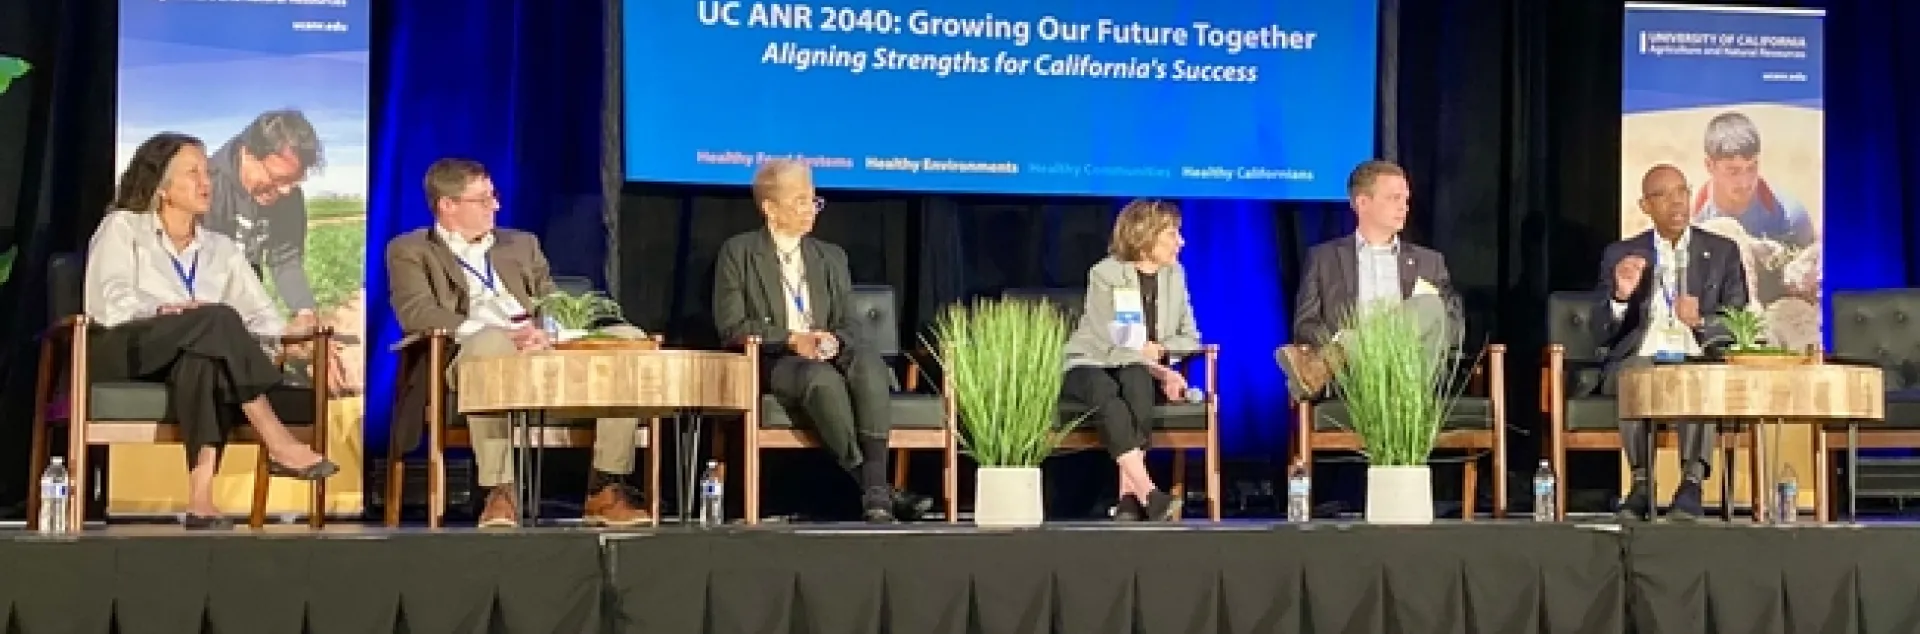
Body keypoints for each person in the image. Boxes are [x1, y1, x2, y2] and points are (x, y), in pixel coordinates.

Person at [83, 132, 339, 530]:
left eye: (208, 173)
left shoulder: (222, 249)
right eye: (194, 173)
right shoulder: (123, 227)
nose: (207, 182)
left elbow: (261, 316)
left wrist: (294, 334)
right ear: (162, 187)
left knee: (205, 358)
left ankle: (201, 500)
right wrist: (165, 310)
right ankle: (277, 440)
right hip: (127, 346)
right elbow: (108, 303)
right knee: (215, 319)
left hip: (189, 353)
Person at [386, 158, 648, 528]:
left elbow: (551, 299)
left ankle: (604, 487)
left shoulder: (521, 244)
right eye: (483, 199)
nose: (495, 205)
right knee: (491, 344)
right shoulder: (411, 249)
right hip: (469, 353)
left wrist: (548, 331)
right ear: (448, 205)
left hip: (541, 349)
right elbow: (417, 312)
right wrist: (496, 333)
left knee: (628, 340)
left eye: (493, 196)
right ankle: (500, 490)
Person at [712, 159, 931, 523]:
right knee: (821, 380)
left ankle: (875, 489)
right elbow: (732, 326)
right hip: (776, 359)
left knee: (869, 366)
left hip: (829, 350)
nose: (810, 210)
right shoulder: (739, 253)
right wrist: (791, 339)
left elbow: (849, 323)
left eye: (813, 200)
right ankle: (877, 488)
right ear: (770, 208)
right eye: (800, 201)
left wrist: (833, 341)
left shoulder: (830, 256)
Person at [1600, 164, 1748, 521]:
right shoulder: (1622, 254)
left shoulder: (1723, 251)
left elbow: (1738, 323)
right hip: (1641, 356)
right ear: (1645, 206)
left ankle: (1691, 485)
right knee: (1635, 375)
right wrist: (1620, 297)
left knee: (1696, 378)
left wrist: (1700, 322)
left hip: (1695, 355)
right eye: (1663, 195)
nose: (1677, 202)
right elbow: (1599, 330)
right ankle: (1641, 484)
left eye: (1682, 191)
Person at [1059, 199, 1201, 522]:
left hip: (1135, 367)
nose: (1181, 242)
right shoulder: (1105, 274)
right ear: (1145, 236)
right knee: (1106, 393)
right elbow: (1110, 341)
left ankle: (1128, 499)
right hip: (1090, 361)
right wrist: (1163, 373)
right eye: (1172, 234)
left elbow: (1191, 337)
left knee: (1137, 381)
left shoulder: (1175, 275)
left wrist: (1160, 349)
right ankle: (1149, 492)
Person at [1277, 160, 1461, 401]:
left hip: (1409, 373)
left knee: (1430, 306)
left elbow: (1452, 326)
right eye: (1394, 198)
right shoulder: (1324, 259)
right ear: (1363, 203)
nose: (1404, 207)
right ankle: (1344, 353)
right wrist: (1355, 350)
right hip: (1354, 375)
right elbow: (1306, 325)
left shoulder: (1430, 262)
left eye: (1406, 200)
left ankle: (1340, 352)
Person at [202, 110, 324, 315]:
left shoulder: (289, 195)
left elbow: (284, 258)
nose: (285, 191)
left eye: (293, 181)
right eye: (278, 178)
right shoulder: (206, 186)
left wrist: (305, 311)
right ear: (248, 154)